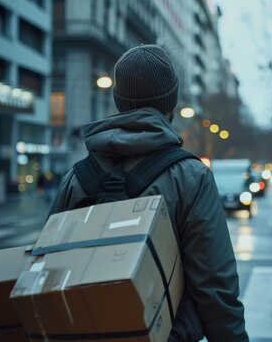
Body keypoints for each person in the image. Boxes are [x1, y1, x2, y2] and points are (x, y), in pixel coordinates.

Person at [48, 44, 248, 342]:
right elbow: (215, 287)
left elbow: (48, 269)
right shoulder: (191, 177)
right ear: (172, 104)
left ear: (118, 102)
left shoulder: (75, 178)